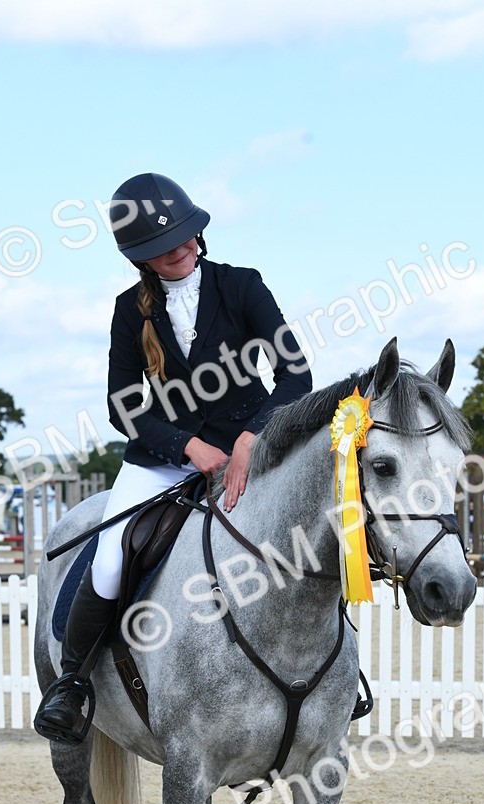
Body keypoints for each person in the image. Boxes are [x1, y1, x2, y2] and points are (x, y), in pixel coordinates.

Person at [35, 172, 312, 741]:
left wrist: (250, 438)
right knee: (111, 554)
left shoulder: (242, 286)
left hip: (250, 445)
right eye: (165, 250)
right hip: (163, 455)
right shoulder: (128, 311)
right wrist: (186, 446)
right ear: (141, 260)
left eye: (187, 238)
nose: (182, 250)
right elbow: (122, 404)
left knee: (303, 526)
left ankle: (334, 675)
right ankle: (73, 682)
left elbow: (296, 374)